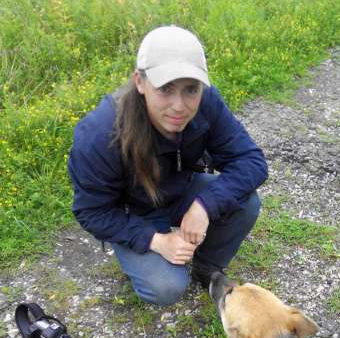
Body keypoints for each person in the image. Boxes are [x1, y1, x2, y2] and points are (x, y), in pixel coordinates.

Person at [68, 25, 268, 306]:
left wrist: (204, 205)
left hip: (179, 191)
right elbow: (92, 212)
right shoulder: (99, 134)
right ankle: (141, 251)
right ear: (140, 82)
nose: (179, 106)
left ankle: (206, 265)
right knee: (166, 287)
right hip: (133, 212)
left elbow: (251, 160)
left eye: (191, 89)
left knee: (247, 202)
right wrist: (157, 241)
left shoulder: (207, 102)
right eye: (165, 89)